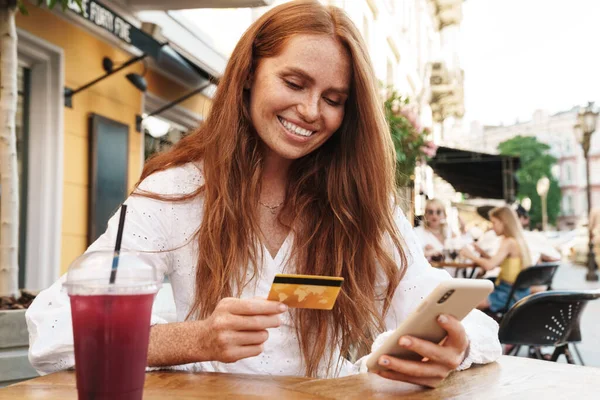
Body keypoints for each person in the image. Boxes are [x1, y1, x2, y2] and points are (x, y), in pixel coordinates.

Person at [26, 0, 500, 388]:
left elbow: (446, 309)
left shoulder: (360, 205)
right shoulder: (177, 191)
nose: (311, 111)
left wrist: (453, 346)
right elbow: (53, 330)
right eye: (294, 83)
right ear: (250, 73)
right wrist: (195, 340)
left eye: (334, 100)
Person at [460, 206, 532, 311]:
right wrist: (482, 252)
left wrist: (470, 255)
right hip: (518, 291)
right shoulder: (517, 239)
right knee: (474, 290)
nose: (492, 226)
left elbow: (490, 266)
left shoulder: (508, 242)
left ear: (504, 222)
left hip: (507, 293)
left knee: (466, 303)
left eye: (494, 222)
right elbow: (497, 262)